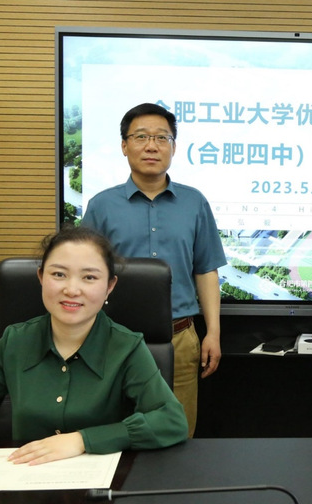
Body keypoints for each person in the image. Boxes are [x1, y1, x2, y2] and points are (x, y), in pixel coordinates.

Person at [0, 226, 188, 473]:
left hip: (100, 486)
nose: (72, 289)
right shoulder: (16, 341)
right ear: (41, 277)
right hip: (26, 482)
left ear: (109, 286)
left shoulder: (127, 347)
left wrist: (82, 440)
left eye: (89, 278)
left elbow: (170, 420)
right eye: (59, 274)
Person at [81, 103, 226, 437]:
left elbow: (206, 271)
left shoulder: (194, 202)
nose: (152, 146)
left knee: (178, 431)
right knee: (115, 432)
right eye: (141, 137)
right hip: (114, 338)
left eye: (162, 138)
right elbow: (85, 273)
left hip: (180, 338)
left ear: (173, 147)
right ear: (124, 145)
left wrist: (213, 333)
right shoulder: (102, 205)